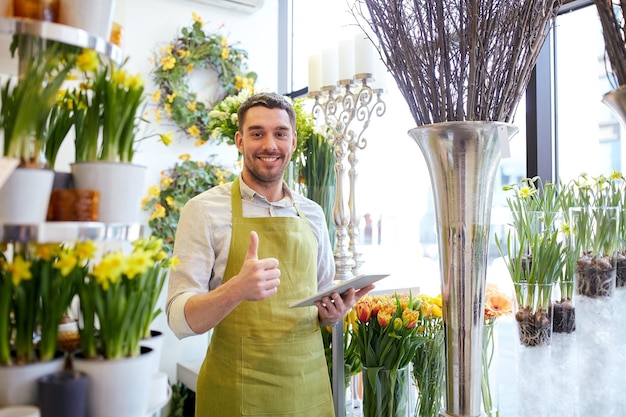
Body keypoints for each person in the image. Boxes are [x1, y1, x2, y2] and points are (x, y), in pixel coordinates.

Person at [165, 92, 374, 417]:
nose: (269, 145)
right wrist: (236, 289)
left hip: (307, 387)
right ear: (239, 140)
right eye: (257, 133)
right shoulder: (204, 210)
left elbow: (321, 301)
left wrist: (333, 314)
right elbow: (179, 319)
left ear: (292, 141)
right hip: (236, 390)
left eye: (279, 133)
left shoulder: (313, 214)